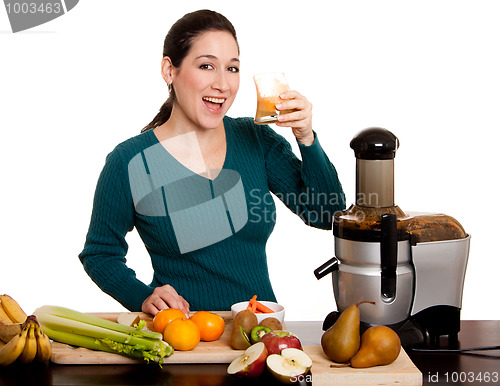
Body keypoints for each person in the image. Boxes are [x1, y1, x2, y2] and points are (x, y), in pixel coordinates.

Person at [79, 9, 345, 317]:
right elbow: (100, 253)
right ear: (169, 70)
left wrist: (306, 137)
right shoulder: (129, 161)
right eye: (206, 66)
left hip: (261, 334)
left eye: (232, 69)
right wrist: (142, 296)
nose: (222, 84)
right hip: (182, 338)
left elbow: (328, 215)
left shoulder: (256, 139)